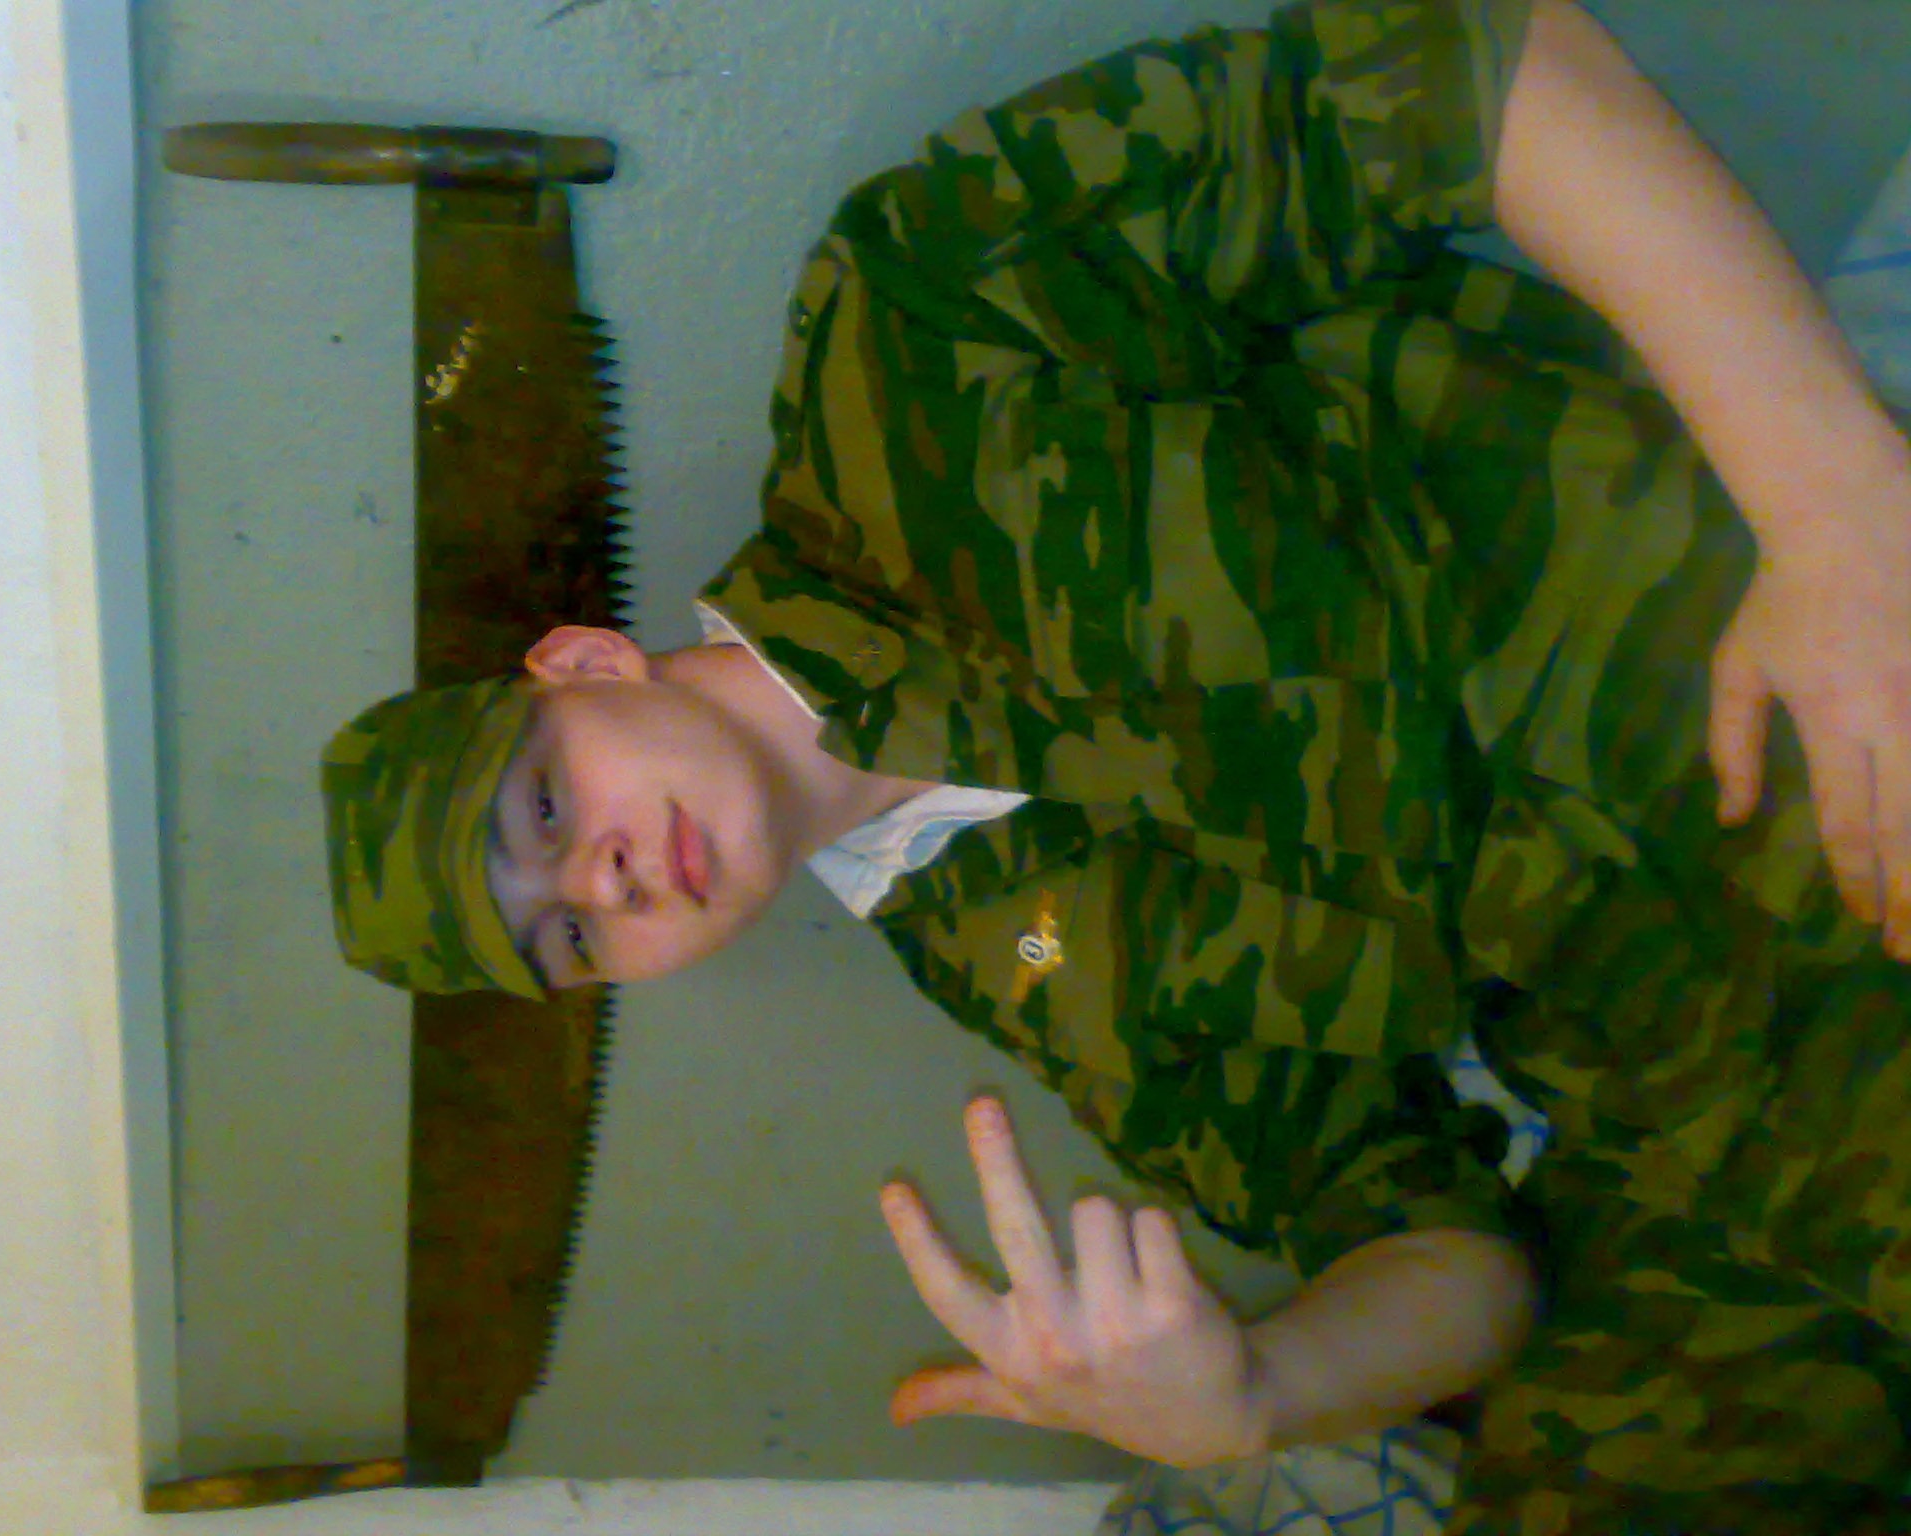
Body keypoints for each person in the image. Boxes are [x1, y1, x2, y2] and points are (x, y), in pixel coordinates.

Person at [320, 0, 1911, 1528]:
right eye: (570, 940)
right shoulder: (1019, 968)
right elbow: (1458, 1257)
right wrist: (1259, 1394)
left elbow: (1487, 75)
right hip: (1723, 1095)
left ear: (584, 666)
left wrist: (1835, 508)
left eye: (547, 808)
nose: (603, 882)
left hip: (1779, 686)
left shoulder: (913, 343)